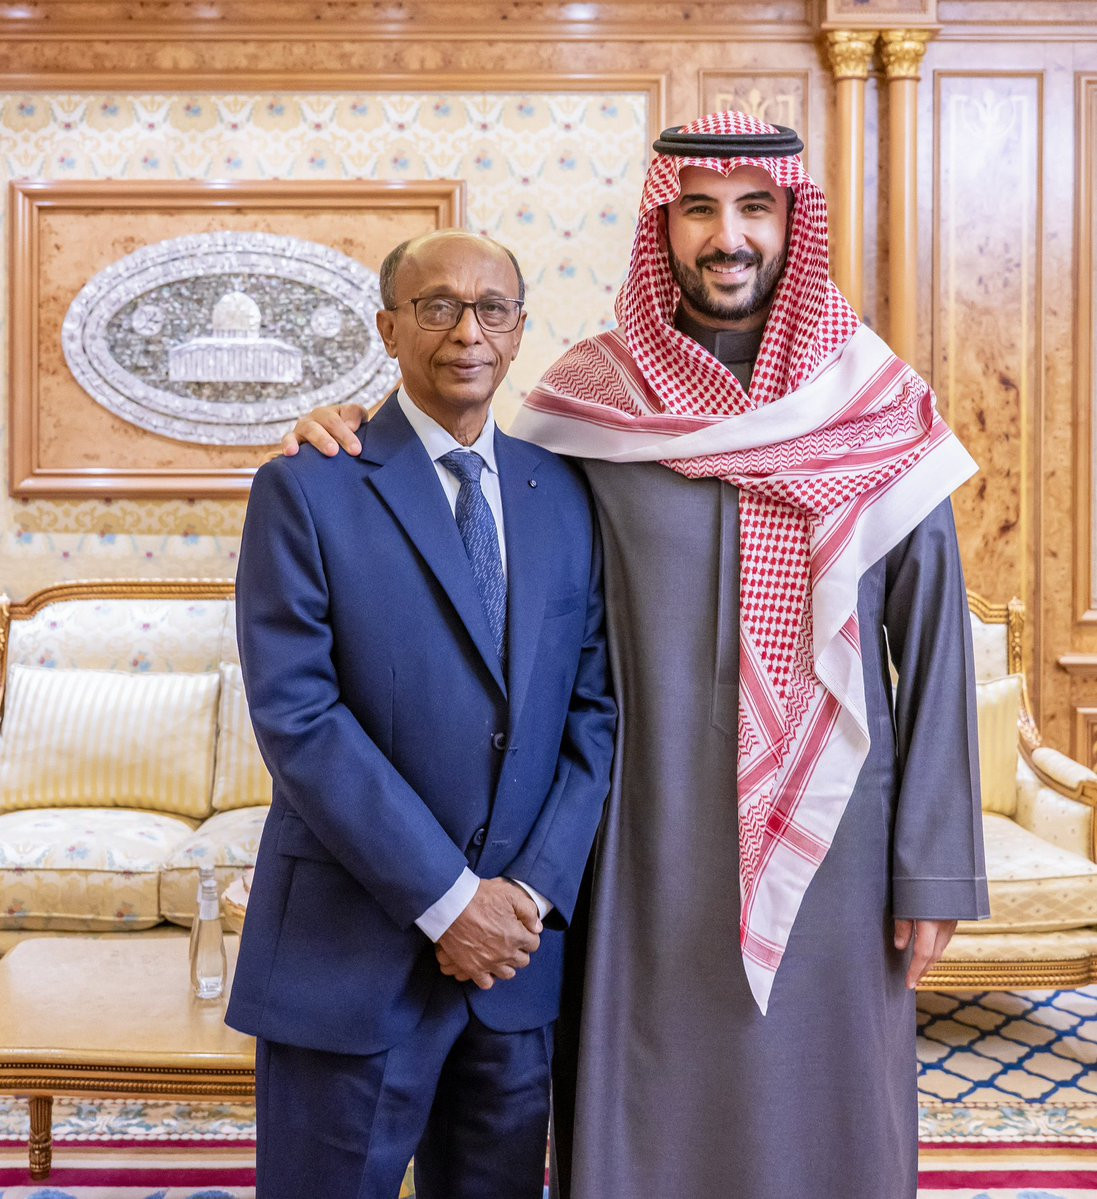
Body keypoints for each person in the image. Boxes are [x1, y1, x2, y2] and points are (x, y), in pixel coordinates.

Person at [283, 112, 988, 1199]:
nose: (726, 236)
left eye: (753, 209)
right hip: (633, 842)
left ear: (791, 225)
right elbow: (457, 481)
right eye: (697, 209)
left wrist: (929, 866)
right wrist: (340, 430)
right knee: (646, 1110)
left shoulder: (875, 409)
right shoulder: (587, 409)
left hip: (833, 842)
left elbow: (934, 645)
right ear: (661, 227)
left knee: (829, 1113)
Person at [229, 228, 616, 1199]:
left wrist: (525, 897)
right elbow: (299, 718)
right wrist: (449, 901)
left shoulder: (566, 495)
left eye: (491, 308)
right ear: (388, 327)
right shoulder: (306, 486)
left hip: (514, 970)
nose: (466, 331)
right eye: (437, 306)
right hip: (348, 958)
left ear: (518, 328)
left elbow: (593, 714)